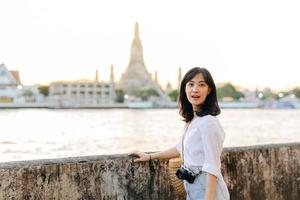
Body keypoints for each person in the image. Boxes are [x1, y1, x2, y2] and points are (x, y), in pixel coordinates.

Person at [128, 67, 230, 200]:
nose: (195, 89)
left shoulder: (208, 122)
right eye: (191, 84)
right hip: (193, 188)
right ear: (184, 88)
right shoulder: (193, 120)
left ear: (209, 90)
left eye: (201, 85)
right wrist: (150, 156)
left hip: (208, 192)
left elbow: (212, 165)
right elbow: (180, 148)